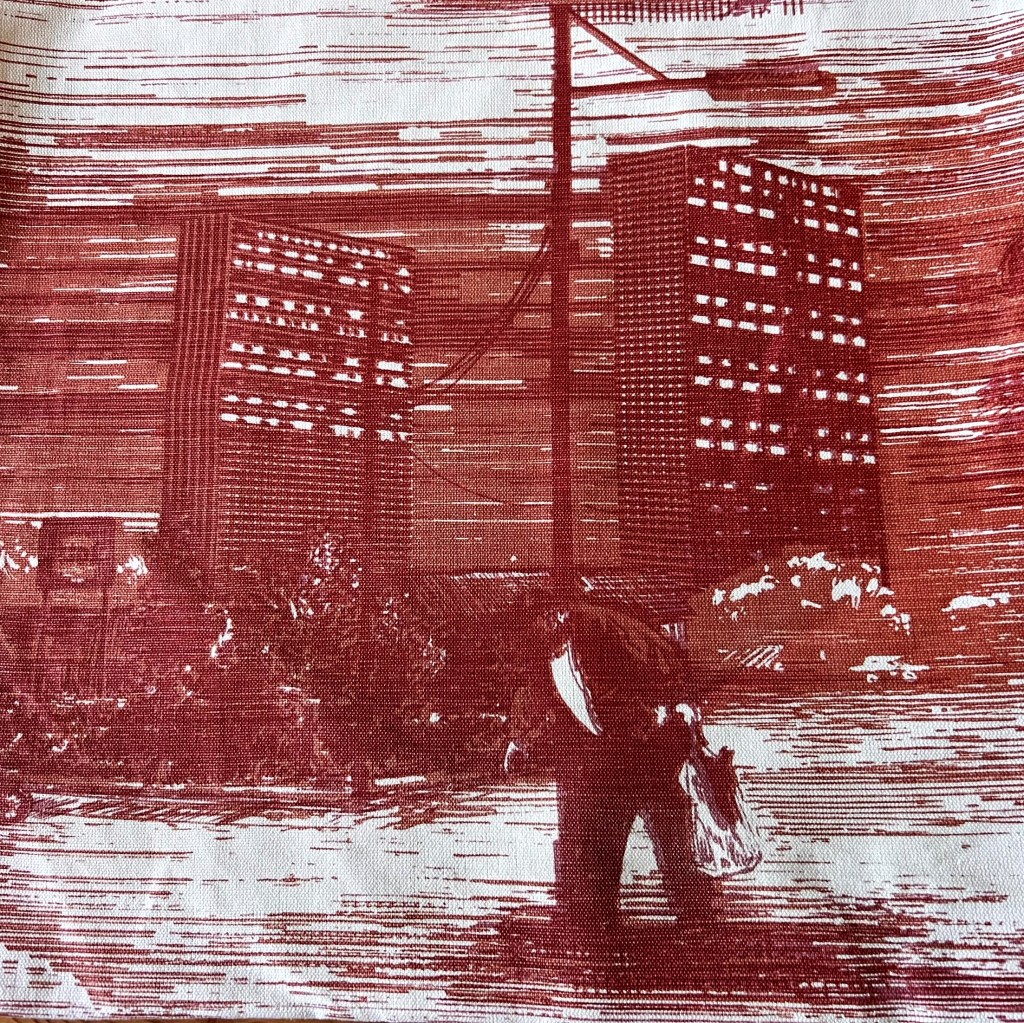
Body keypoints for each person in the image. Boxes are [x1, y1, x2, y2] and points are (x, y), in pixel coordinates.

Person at [506, 594, 720, 930]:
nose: (537, 631)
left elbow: (650, 671)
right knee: (629, 840)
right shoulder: (563, 643)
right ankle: (625, 918)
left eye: (540, 622)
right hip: (628, 756)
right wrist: (521, 741)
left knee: (650, 841)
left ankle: (690, 919)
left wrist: (670, 708)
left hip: (638, 754)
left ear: (554, 614)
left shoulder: (593, 630)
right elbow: (546, 694)